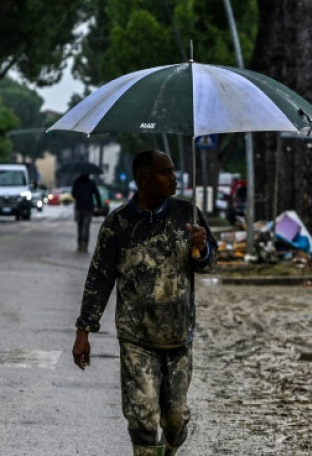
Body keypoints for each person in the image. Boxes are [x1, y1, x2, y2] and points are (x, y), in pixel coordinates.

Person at [72, 150, 218, 456]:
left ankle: (170, 449)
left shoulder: (186, 215)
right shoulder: (119, 224)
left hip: (178, 336)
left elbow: (208, 265)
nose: (174, 178)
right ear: (144, 179)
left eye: (174, 171)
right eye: (166, 172)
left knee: (175, 418)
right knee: (142, 416)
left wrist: (201, 248)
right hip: (136, 337)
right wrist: (84, 330)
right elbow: (99, 278)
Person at [71, 172, 103, 252]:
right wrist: (99, 206)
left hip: (79, 207)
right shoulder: (91, 182)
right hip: (88, 208)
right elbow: (97, 194)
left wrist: (79, 195)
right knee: (86, 227)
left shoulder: (77, 182)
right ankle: (85, 245)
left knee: (80, 226)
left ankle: (79, 244)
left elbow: (73, 194)